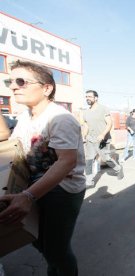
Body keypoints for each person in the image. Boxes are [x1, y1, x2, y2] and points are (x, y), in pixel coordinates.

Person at [0, 60, 85, 276]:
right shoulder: (24, 117)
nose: (13, 87)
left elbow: (66, 162)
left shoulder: (60, 118)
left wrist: (27, 196)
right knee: (37, 239)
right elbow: (16, 149)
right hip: (35, 186)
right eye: (11, 81)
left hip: (63, 190)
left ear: (46, 88)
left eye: (21, 81)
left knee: (57, 249)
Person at [80, 90, 124, 188]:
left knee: (106, 158)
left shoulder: (103, 109)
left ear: (96, 98)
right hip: (90, 139)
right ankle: (89, 181)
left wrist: (103, 134)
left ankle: (118, 168)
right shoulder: (86, 112)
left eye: (90, 96)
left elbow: (109, 123)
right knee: (89, 160)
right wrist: (84, 136)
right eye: (86, 96)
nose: (87, 98)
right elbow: (86, 126)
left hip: (102, 139)